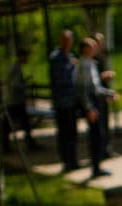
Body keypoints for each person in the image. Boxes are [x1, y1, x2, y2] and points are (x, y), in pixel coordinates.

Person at [75, 37, 116, 178]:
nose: (95, 49)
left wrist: (107, 93)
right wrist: (89, 108)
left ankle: (97, 166)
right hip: (91, 104)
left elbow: (95, 87)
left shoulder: (89, 63)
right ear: (86, 49)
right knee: (96, 136)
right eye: (93, 46)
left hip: (93, 102)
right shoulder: (85, 65)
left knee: (98, 135)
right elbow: (85, 89)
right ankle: (96, 168)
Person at [49, 29, 78, 172]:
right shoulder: (56, 58)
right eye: (64, 40)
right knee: (64, 133)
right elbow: (60, 79)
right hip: (62, 102)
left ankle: (73, 159)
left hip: (72, 101)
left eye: (69, 40)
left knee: (73, 132)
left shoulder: (71, 57)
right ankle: (66, 161)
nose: (67, 43)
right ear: (60, 41)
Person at [3, 47, 41, 152]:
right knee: (20, 123)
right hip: (15, 101)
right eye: (26, 57)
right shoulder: (16, 68)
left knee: (11, 123)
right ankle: (29, 144)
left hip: (11, 100)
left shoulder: (14, 67)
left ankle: (7, 145)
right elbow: (15, 85)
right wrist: (25, 85)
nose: (27, 59)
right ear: (22, 57)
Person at [92, 33, 116, 160]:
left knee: (105, 125)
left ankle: (106, 149)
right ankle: (100, 152)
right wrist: (104, 76)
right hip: (96, 97)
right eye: (98, 42)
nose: (101, 45)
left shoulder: (100, 58)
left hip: (102, 95)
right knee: (99, 127)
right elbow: (92, 80)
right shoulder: (91, 60)